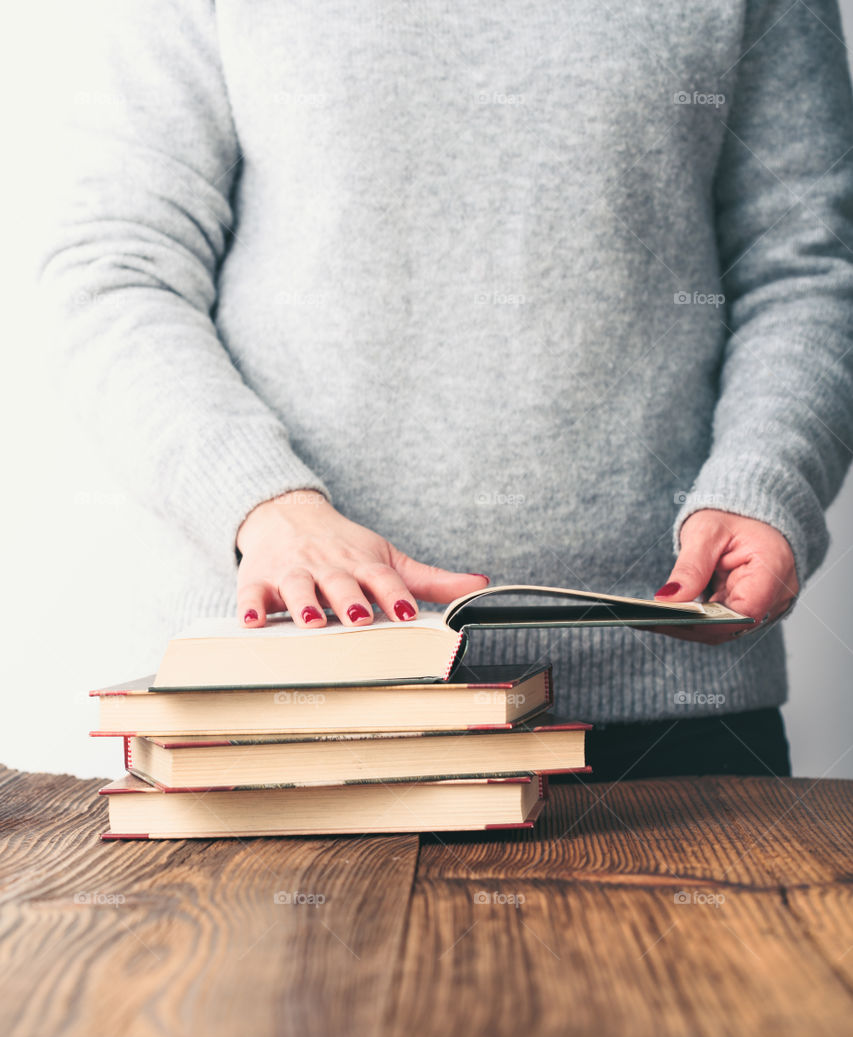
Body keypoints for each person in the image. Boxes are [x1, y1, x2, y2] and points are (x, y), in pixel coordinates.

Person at [40, 0, 853, 779]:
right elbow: (117, 269)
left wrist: (766, 482)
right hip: (281, 698)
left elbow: (807, 269)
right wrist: (266, 507)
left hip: (671, 714)